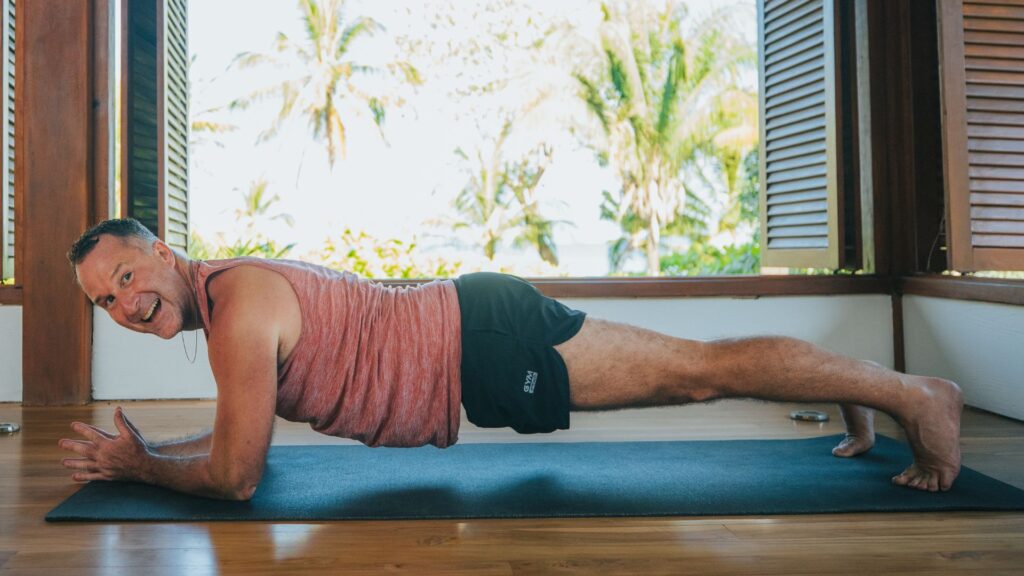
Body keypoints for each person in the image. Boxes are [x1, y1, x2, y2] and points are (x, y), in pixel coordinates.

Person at [59, 219, 964, 500]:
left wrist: (139, 465)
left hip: (480, 347)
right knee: (701, 365)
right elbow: (232, 450)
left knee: (700, 369)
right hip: (475, 334)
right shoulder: (223, 295)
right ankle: (872, 393)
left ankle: (916, 396)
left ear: (166, 250)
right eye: (106, 300)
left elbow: (237, 476)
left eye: (128, 275)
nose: (127, 304)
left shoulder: (236, 310)